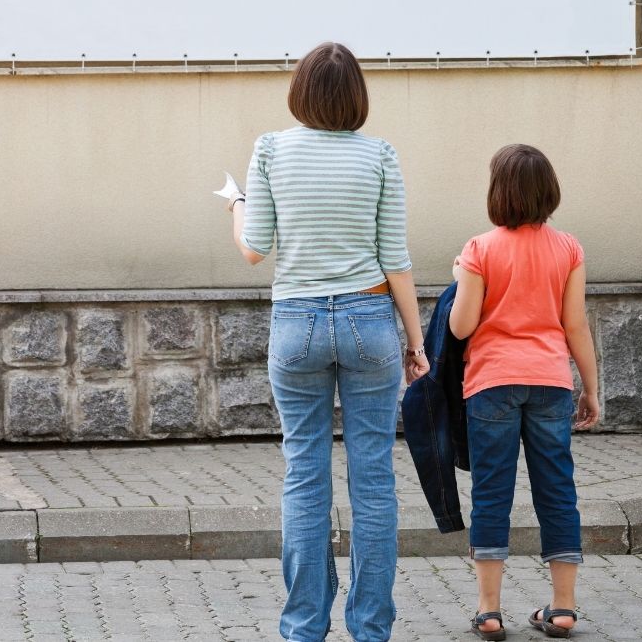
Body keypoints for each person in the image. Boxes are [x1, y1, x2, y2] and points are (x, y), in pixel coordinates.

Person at [228, 41, 429, 642]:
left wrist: (236, 204)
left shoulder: (270, 150)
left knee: (304, 476)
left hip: (296, 323)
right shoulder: (381, 156)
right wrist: (416, 343)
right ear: (356, 96)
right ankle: (370, 628)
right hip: (370, 320)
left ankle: (303, 627)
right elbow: (396, 260)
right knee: (372, 479)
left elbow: (253, 248)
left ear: (301, 92)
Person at [449, 144, 601, 640]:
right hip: (551, 382)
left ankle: (489, 612)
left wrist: (459, 280)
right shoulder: (569, 249)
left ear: (499, 192)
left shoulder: (478, 250)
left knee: (492, 492)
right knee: (557, 489)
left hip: (492, 383)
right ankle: (562, 608)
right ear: (548, 190)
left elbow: (461, 326)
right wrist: (591, 389)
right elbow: (574, 326)